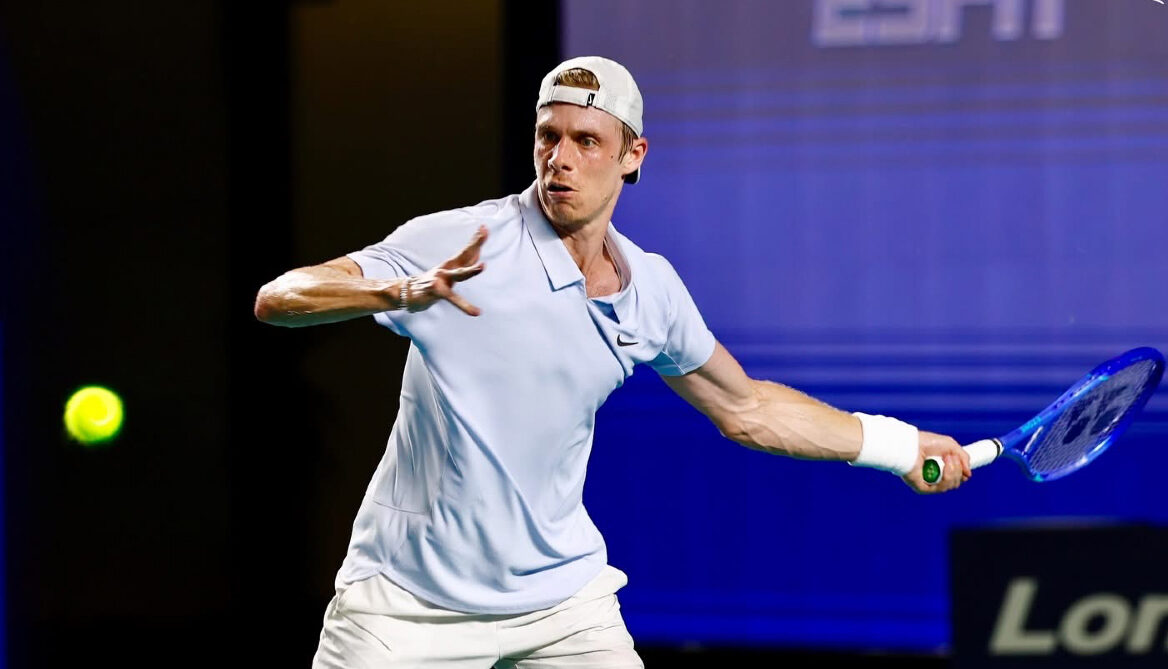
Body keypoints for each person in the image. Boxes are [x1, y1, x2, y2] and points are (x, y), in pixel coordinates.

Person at [254, 55, 972, 669]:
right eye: (549, 137)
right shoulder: (464, 240)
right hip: (407, 604)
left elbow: (745, 406)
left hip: (562, 599)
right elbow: (278, 296)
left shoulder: (649, 288)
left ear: (633, 156)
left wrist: (898, 445)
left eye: (587, 141)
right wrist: (393, 288)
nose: (560, 159)